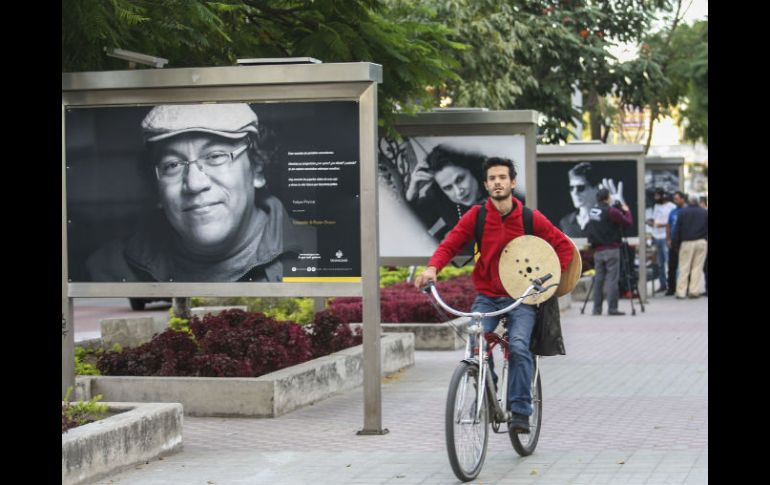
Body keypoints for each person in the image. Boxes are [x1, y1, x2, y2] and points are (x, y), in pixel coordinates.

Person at [413, 157, 573, 435]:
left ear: (512, 182)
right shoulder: (477, 216)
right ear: (486, 185)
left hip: (521, 298)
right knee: (477, 347)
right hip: (487, 297)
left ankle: (521, 410)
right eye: (492, 178)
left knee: (520, 346)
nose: (497, 182)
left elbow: (564, 247)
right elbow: (450, 243)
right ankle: (488, 388)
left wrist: (548, 279)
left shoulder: (529, 218)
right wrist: (432, 268)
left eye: (502, 177)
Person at [86, 103, 316, 282]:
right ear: (157, 186)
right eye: (173, 165)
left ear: (257, 168)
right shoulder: (109, 269)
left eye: (215, 156)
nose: (195, 184)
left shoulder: (319, 254)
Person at [585, 188, 634, 316]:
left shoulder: (593, 211)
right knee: (612, 280)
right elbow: (627, 222)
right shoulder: (612, 211)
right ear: (607, 198)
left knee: (598, 280)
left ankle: (597, 309)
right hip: (611, 249)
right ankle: (612, 308)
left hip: (597, 250)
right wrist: (626, 211)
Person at [560, 162, 626, 238]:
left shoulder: (608, 219)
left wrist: (622, 209)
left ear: (597, 188)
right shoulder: (565, 222)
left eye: (580, 188)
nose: (574, 193)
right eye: (571, 188)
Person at [672, 194, 708, 299]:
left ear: (689, 201)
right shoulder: (704, 212)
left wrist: (676, 244)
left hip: (687, 242)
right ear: (697, 201)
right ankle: (694, 291)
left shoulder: (682, 212)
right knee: (697, 267)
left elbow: (677, 229)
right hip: (701, 242)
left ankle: (681, 292)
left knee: (684, 267)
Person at [647, 188, 676, 293]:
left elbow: (672, 222)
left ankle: (673, 283)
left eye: (657, 196)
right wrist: (651, 222)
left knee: (669, 261)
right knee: (659, 263)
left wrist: (662, 225)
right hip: (656, 236)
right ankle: (662, 284)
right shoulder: (656, 206)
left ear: (663, 196)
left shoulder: (671, 207)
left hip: (665, 236)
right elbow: (655, 219)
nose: (656, 198)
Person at [664, 191, 687, 296]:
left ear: (683, 199)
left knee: (685, 266)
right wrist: (668, 239)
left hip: (684, 241)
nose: (675, 201)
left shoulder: (686, 211)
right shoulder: (673, 212)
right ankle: (671, 288)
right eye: (674, 199)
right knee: (672, 266)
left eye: (677, 199)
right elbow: (668, 226)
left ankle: (684, 287)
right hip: (673, 242)